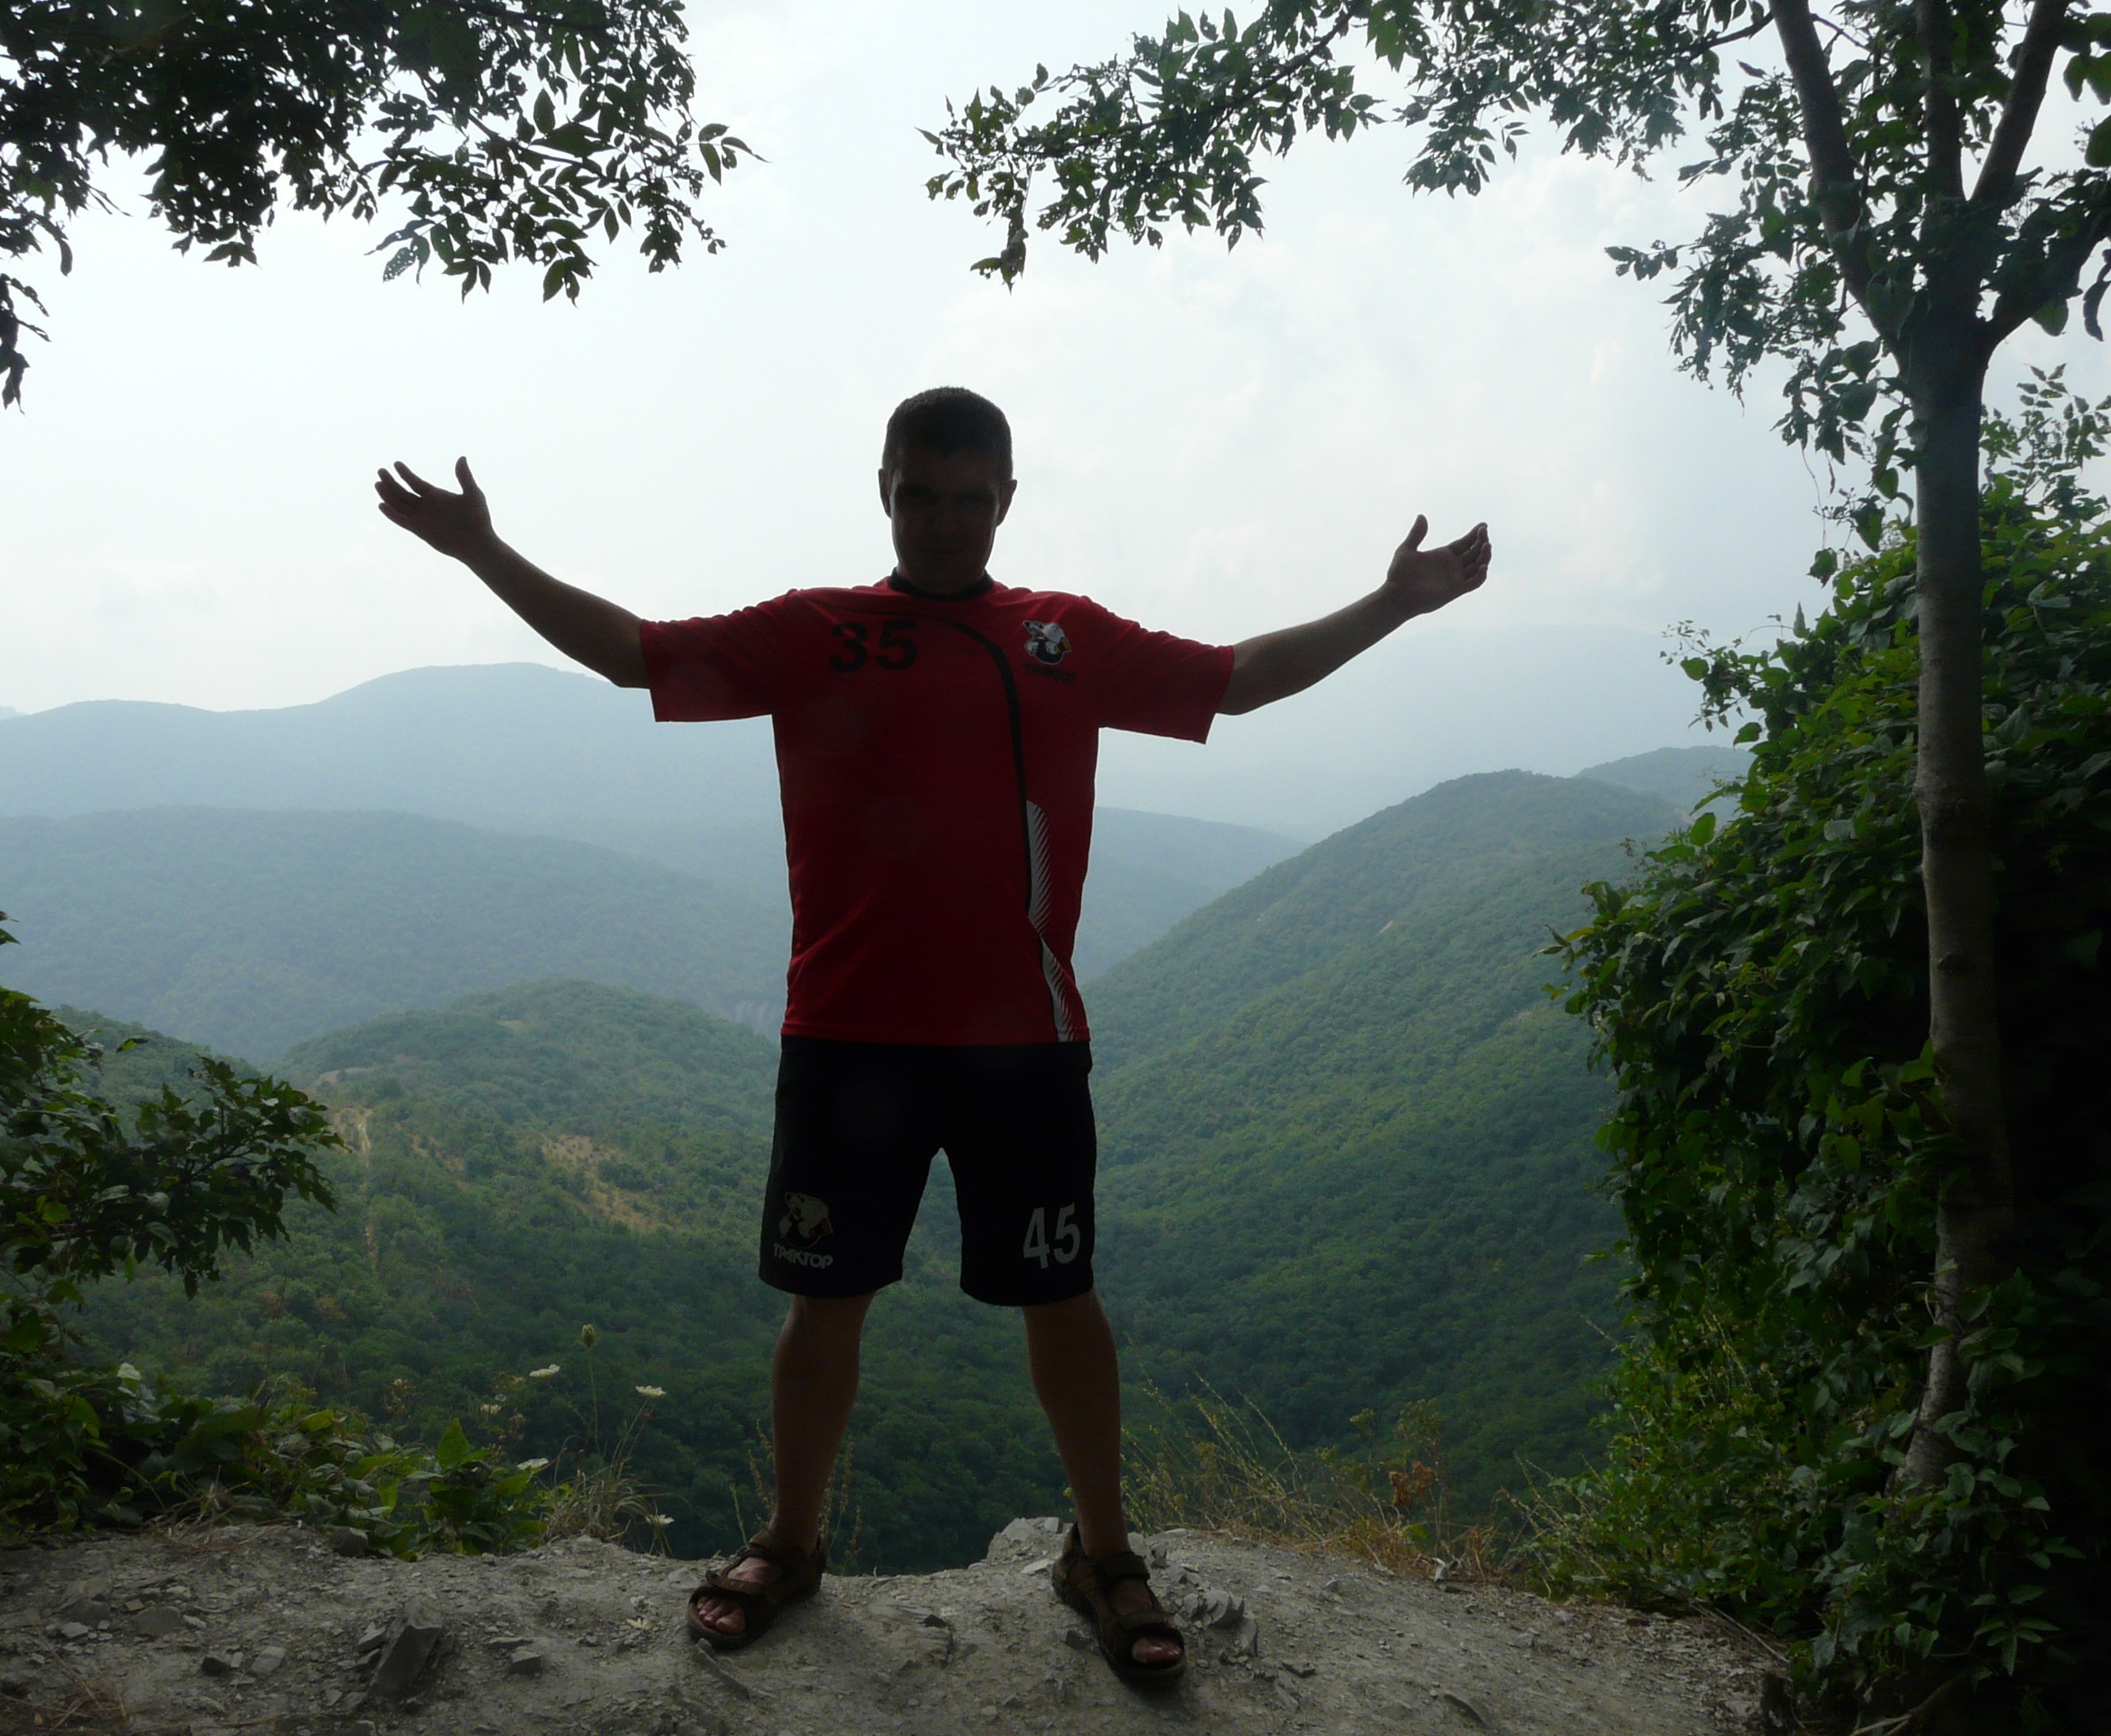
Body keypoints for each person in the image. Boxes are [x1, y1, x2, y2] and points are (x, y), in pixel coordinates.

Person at [374, 387, 1490, 1685]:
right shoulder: (818, 632)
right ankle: (792, 1542)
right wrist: (484, 552)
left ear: (1007, 499)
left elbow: (1236, 682)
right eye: (922, 495)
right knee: (825, 1304)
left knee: (1061, 1299)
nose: (946, 520)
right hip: (849, 1034)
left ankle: (1103, 1552)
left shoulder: (1063, 636)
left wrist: (1393, 603)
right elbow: (635, 653)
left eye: (970, 498)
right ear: (885, 490)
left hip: (1025, 1040)